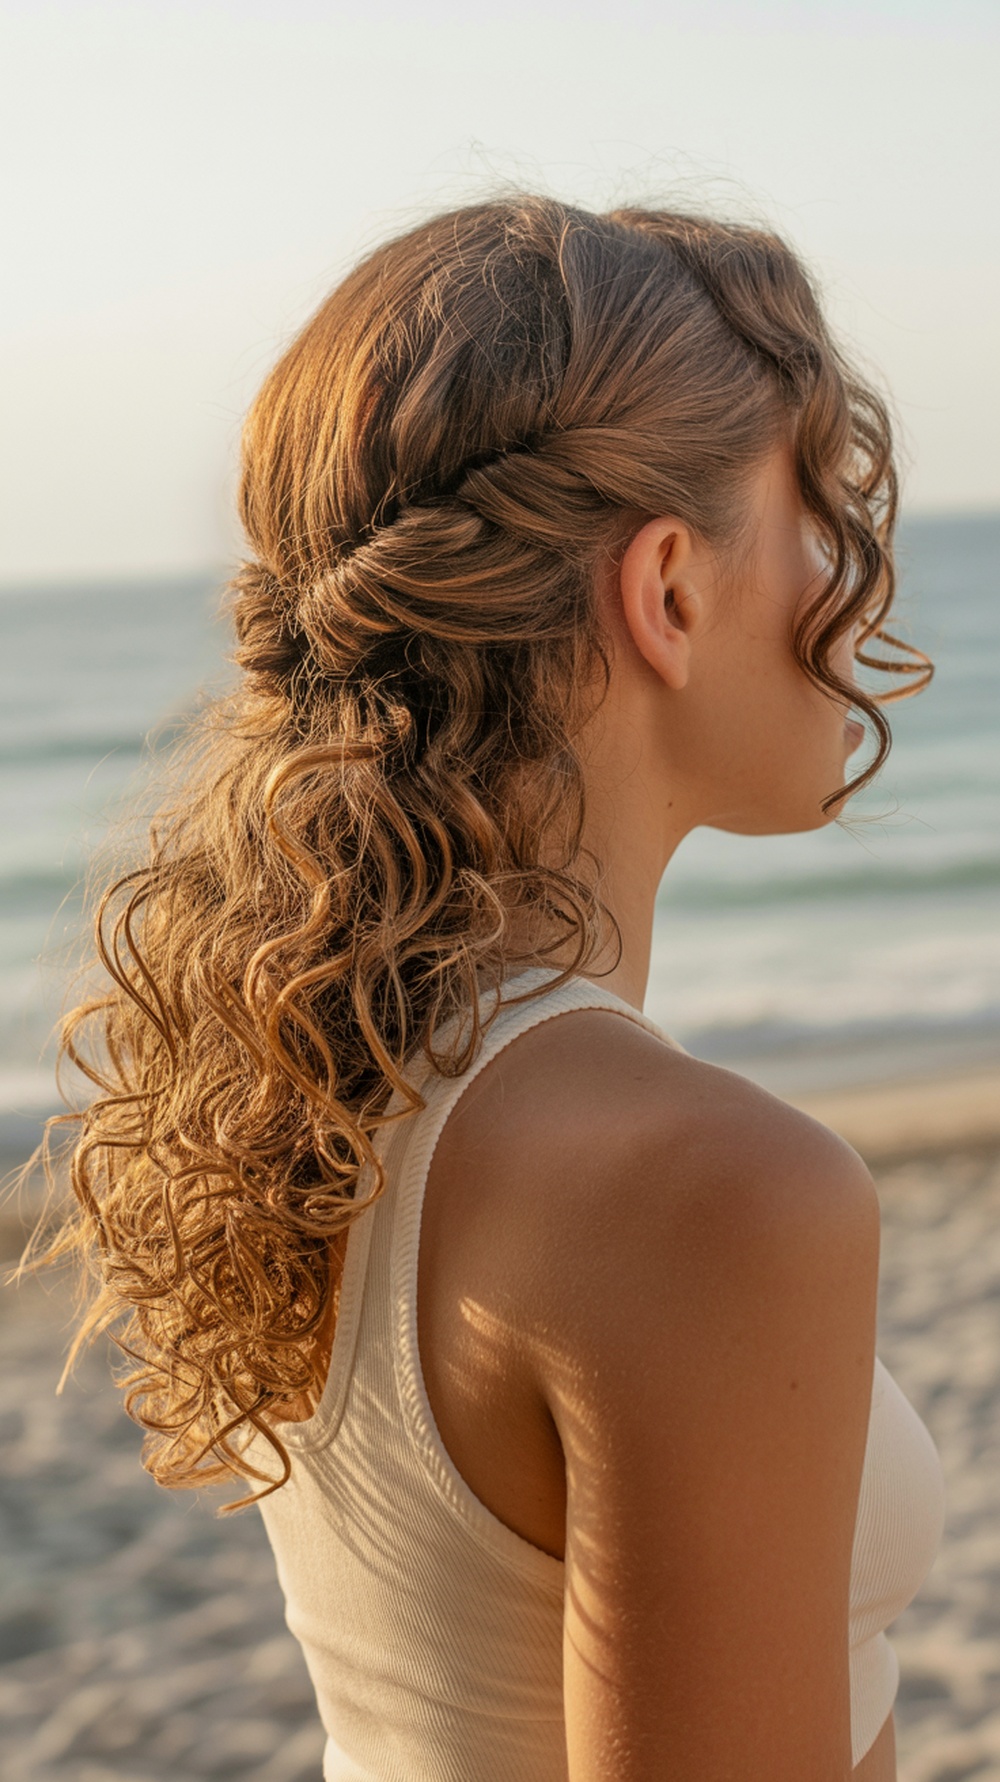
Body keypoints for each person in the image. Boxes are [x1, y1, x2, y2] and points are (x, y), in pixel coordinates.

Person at [40, 195, 945, 1779]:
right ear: (666, 589)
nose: (853, 580)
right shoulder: (709, 1190)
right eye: (820, 502)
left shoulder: (334, 1064)